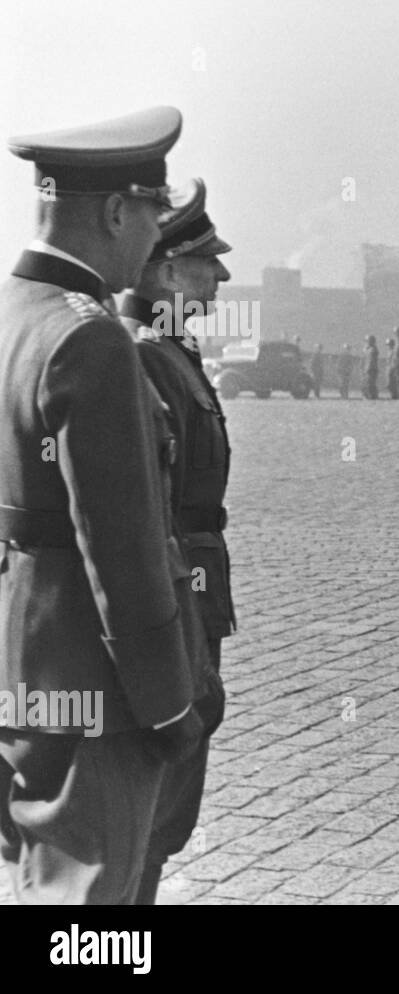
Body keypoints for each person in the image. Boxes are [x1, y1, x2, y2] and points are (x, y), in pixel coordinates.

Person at [0, 106, 209, 904]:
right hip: (98, 690)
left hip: (21, 667)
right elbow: (123, 553)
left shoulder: (12, 311)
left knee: (32, 886)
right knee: (88, 912)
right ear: (117, 210)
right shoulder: (92, 338)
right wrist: (166, 705)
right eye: (154, 215)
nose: (157, 238)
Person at [120, 177, 234, 903]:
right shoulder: (144, 357)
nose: (221, 275)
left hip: (195, 585)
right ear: (164, 271)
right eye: (205, 262)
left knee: (168, 804)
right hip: (173, 594)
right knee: (154, 799)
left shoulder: (169, 350)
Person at [363, 334, 379, 399]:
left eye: (367, 341)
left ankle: (372, 396)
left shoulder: (373, 349)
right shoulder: (370, 349)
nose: (366, 343)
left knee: (370, 383)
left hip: (371, 369)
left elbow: (371, 360)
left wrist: (367, 369)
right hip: (369, 368)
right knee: (368, 382)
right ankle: (370, 395)